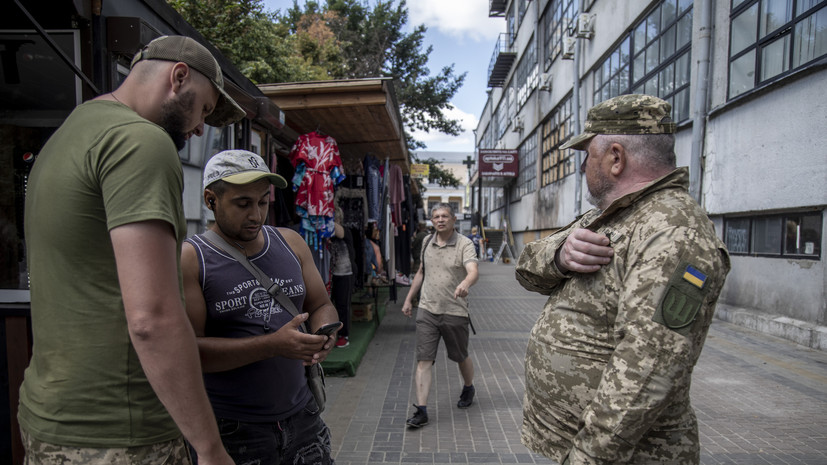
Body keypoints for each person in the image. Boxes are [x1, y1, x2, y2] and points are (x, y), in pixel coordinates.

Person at [19, 35, 244, 465]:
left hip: (49, 416)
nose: (199, 128)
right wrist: (210, 447)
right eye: (205, 110)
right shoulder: (142, 142)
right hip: (120, 431)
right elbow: (152, 318)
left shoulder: (75, 129)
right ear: (178, 77)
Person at [515, 94, 731, 464]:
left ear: (616, 157)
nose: (583, 167)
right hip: (577, 444)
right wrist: (560, 255)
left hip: (625, 456)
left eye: (588, 155)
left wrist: (587, 456)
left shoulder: (673, 230)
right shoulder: (612, 215)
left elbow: (649, 365)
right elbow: (526, 268)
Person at [182, 150, 340, 464]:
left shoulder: (290, 242)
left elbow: (321, 303)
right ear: (211, 200)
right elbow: (190, 352)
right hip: (234, 428)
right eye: (242, 204)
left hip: (303, 416)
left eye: (263, 202)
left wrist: (325, 334)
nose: (255, 214)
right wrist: (272, 346)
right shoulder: (192, 258)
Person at [401, 203, 479, 428]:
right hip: (427, 310)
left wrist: (465, 282)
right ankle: (422, 410)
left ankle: (468, 386)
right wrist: (408, 299)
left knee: (460, 356)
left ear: (453, 219)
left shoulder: (464, 243)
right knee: (424, 360)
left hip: (454, 311)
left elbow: (473, 271)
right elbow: (421, 272)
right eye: (436, 216)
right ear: (431, 220)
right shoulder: (426, 241)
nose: (441, 219)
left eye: (445, 216)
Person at [330, 206, 357, 348]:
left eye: (335, 218)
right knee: (329, 304)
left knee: (342, 305)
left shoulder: (345, 231)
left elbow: (338, 232)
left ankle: (343, 335)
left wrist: (324, 216)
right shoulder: (326, 233)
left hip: (344, 273)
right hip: (329, 273)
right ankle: (330, 334)